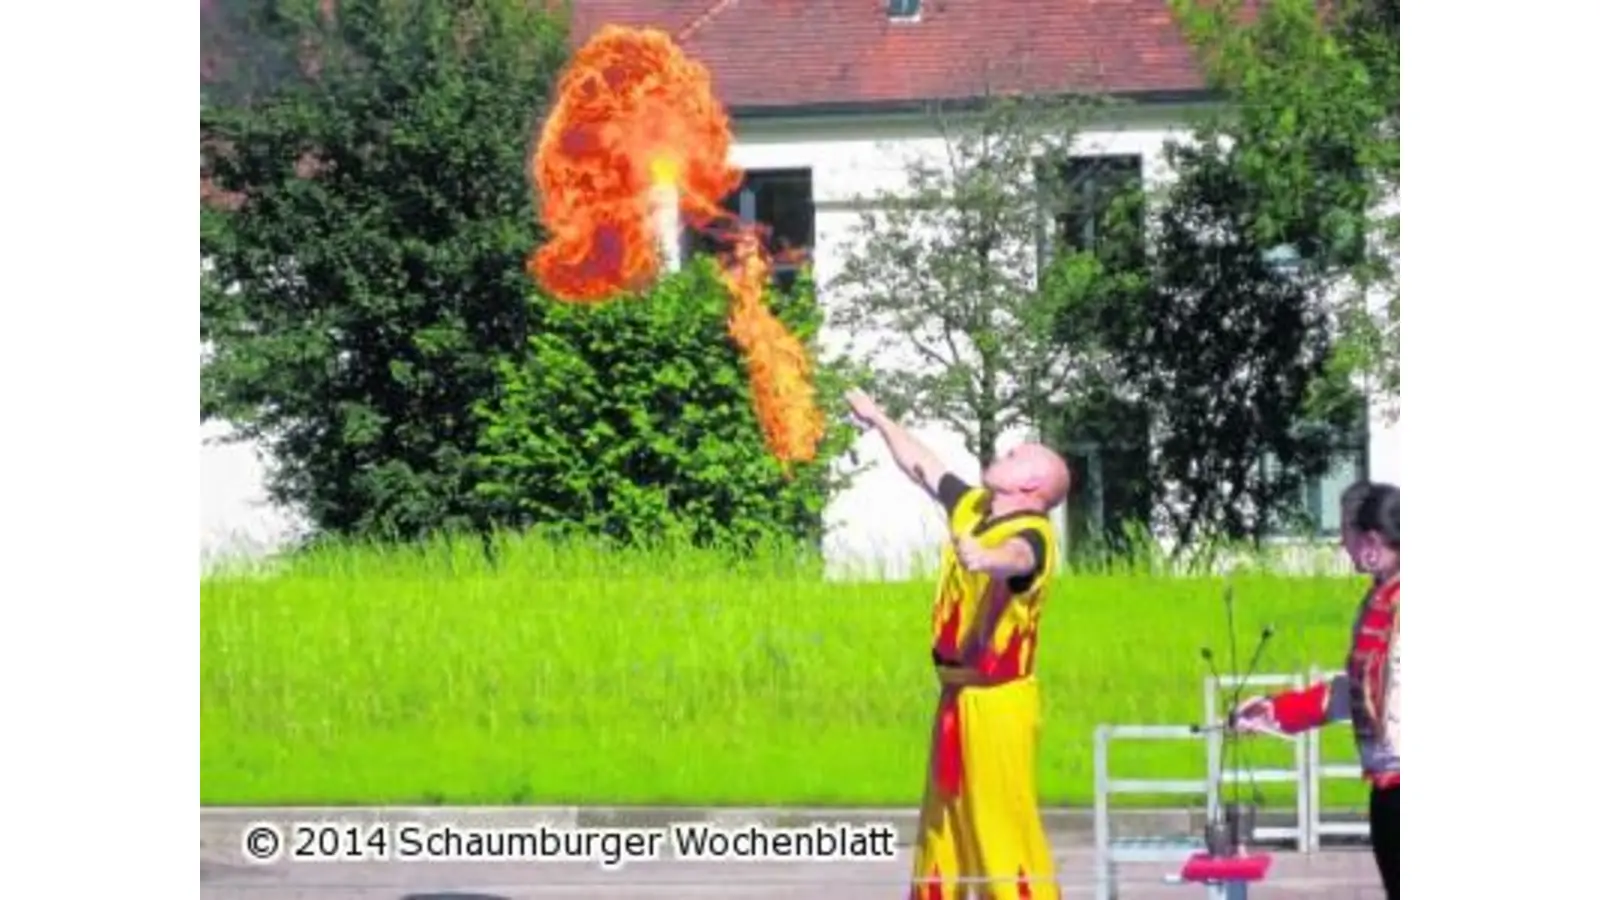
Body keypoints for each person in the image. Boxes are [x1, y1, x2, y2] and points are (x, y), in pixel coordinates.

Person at [845, 387, 1071, 900]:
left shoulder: (1033, 533)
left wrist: (985, 560)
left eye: (1016, 456)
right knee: (940, 831)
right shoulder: (974, 508)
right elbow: (924, 464)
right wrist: (879, 419)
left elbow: (1017, 558)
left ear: (1032, 482)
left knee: (998, 828)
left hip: (998, 705)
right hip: (955, 699)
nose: (1004, 452)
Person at [1232, 481, 1400, 898]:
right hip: (1388, 784)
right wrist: (1278, 711)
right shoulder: (1379, 599)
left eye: (1345, 533)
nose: (1342, 545)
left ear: (1372, 541)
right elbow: (1361, 690)